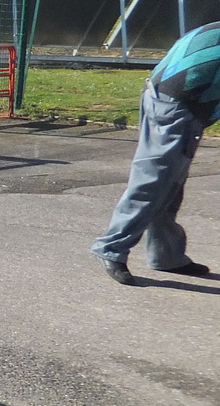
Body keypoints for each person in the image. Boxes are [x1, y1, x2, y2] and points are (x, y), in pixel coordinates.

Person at [91, 21, 220, 286]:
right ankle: (111, 248)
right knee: (154, 182)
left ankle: (166, 255)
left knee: (170, 184)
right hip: (177, 105)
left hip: (161, 93)